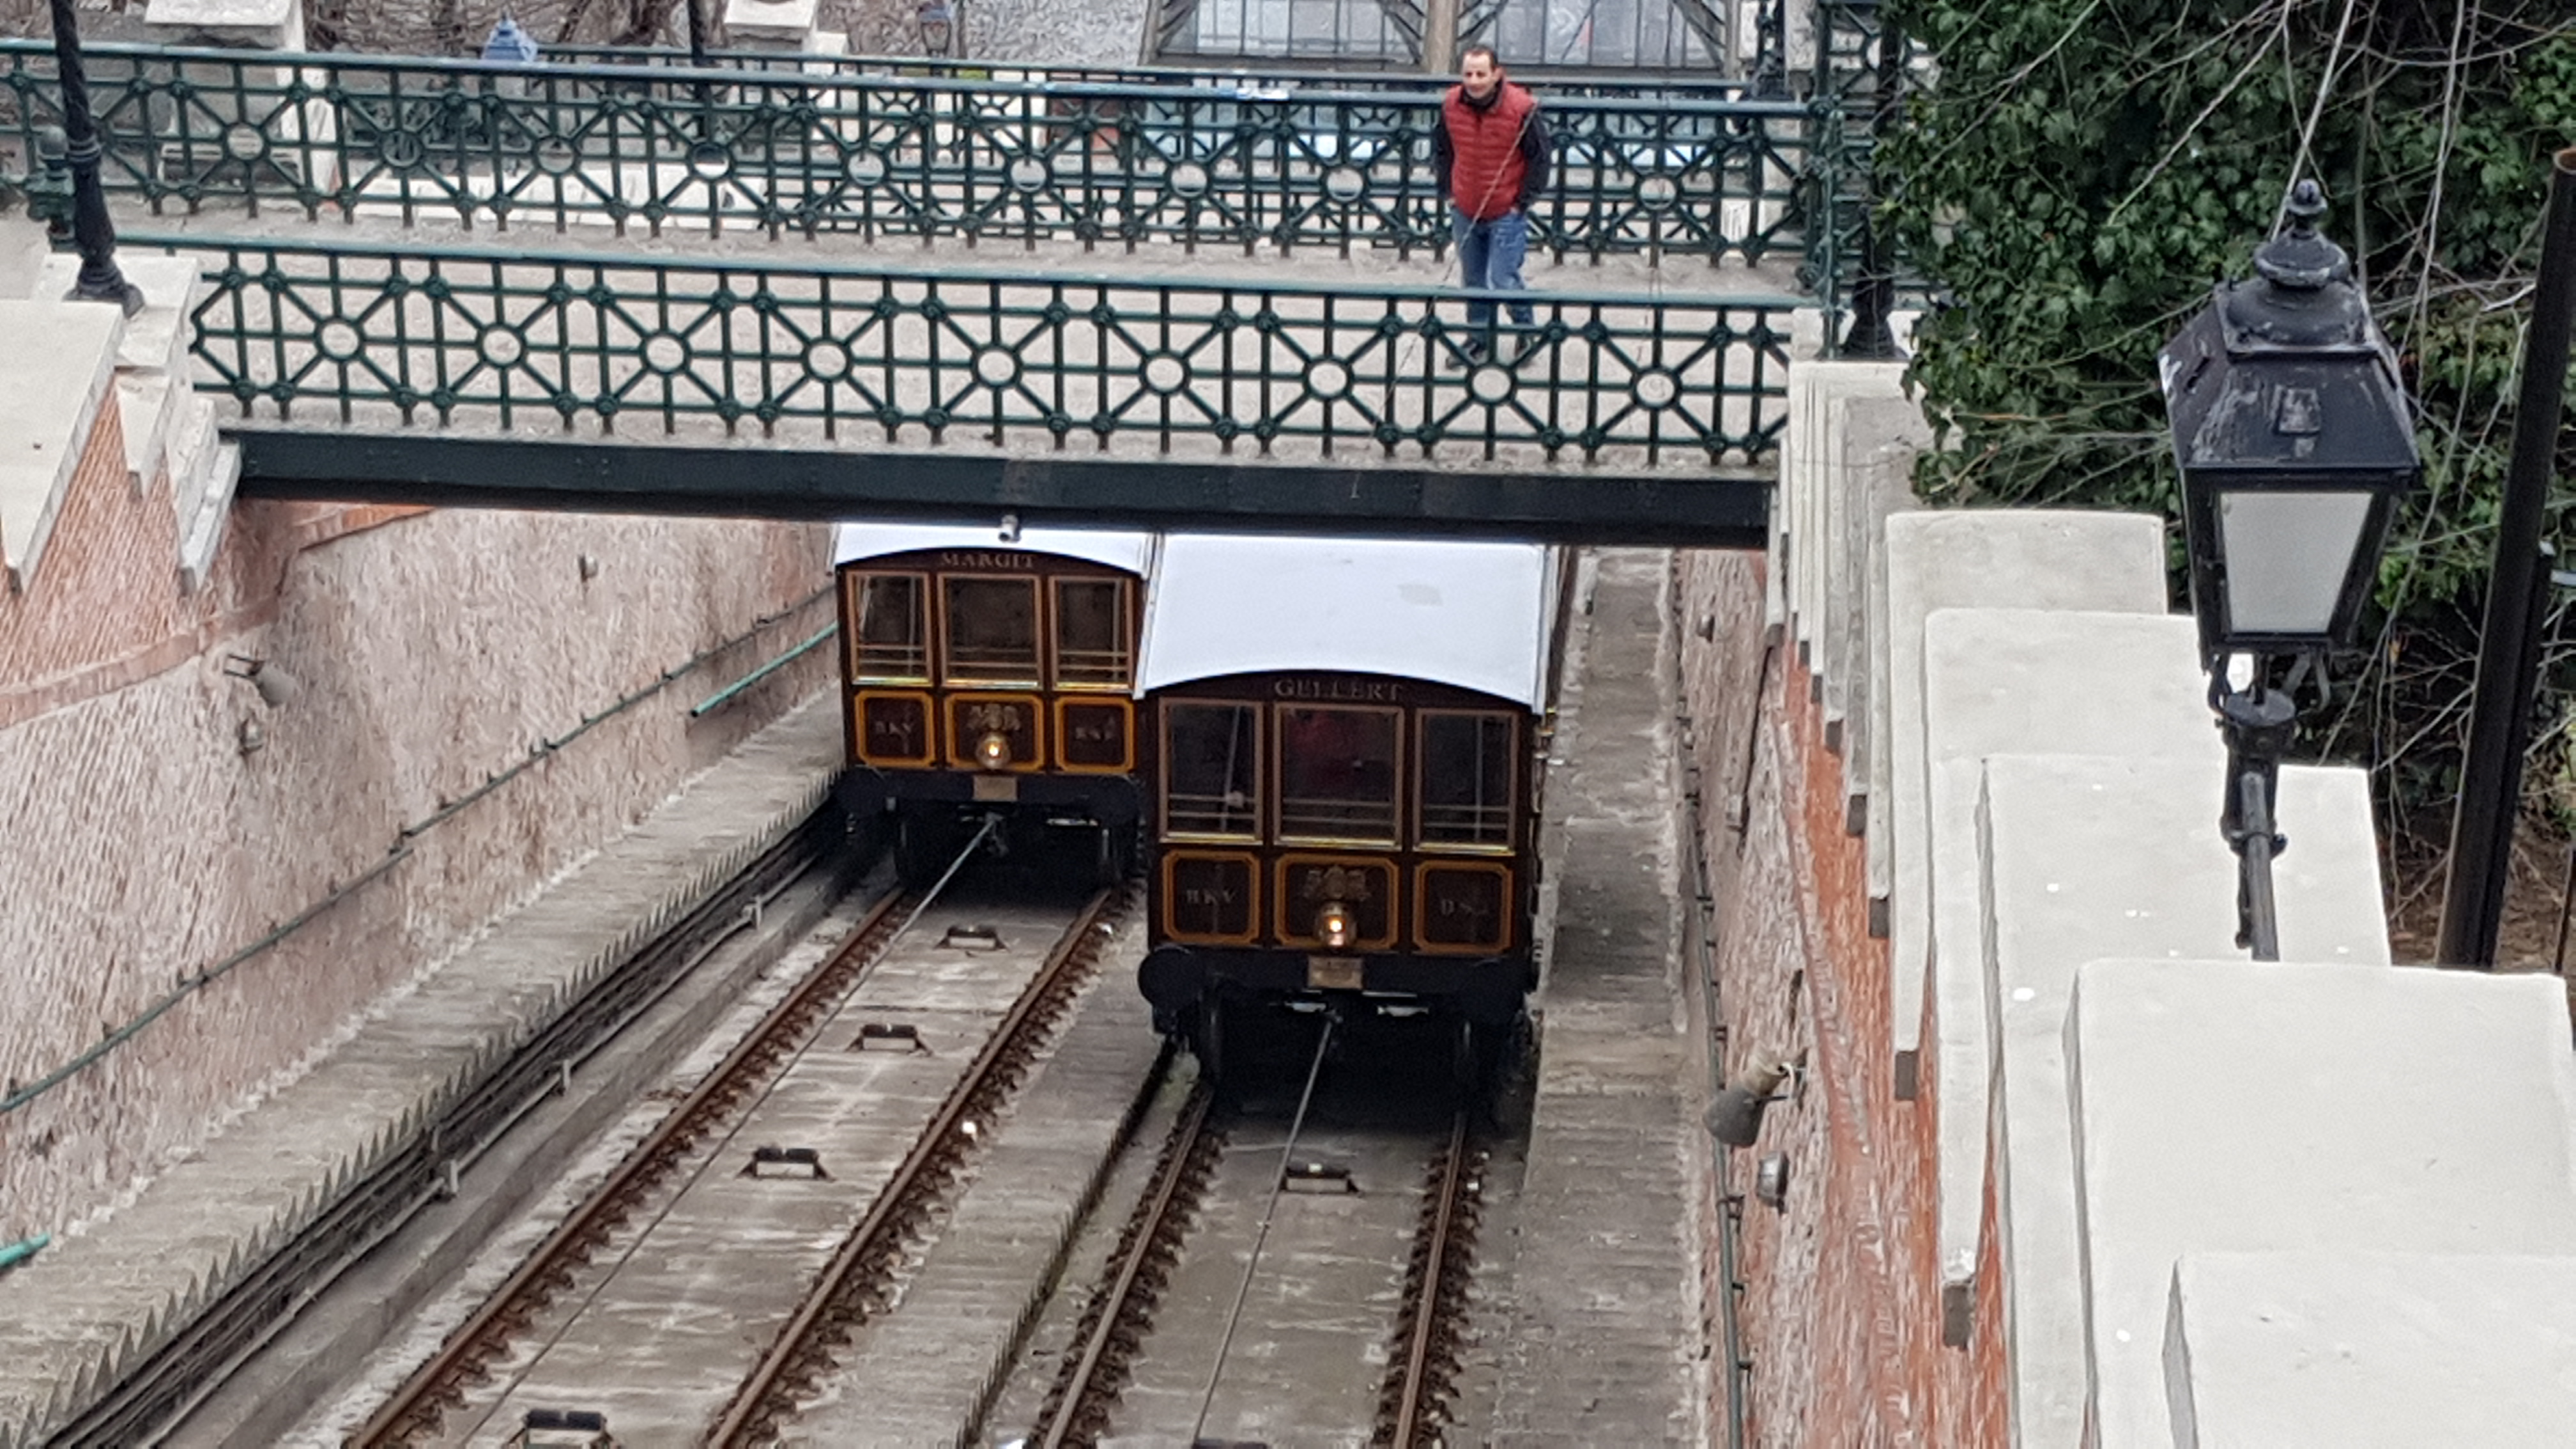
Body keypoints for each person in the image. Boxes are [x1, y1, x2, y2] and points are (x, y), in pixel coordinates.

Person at [1431, 45, 1549, 364]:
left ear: (1497, 74)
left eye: (1481, 74)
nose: (1474, 81)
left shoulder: (1521, 108)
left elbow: (1540, 159)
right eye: (1468, 74)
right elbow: (1442, 150)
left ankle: (1525, 332)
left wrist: (1521, 203)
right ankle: (1478, 337)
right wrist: (1448, 192)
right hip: (1465, 205)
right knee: (1472, 279)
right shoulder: (1451, 104)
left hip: (1505, 209)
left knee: (1504, 279)